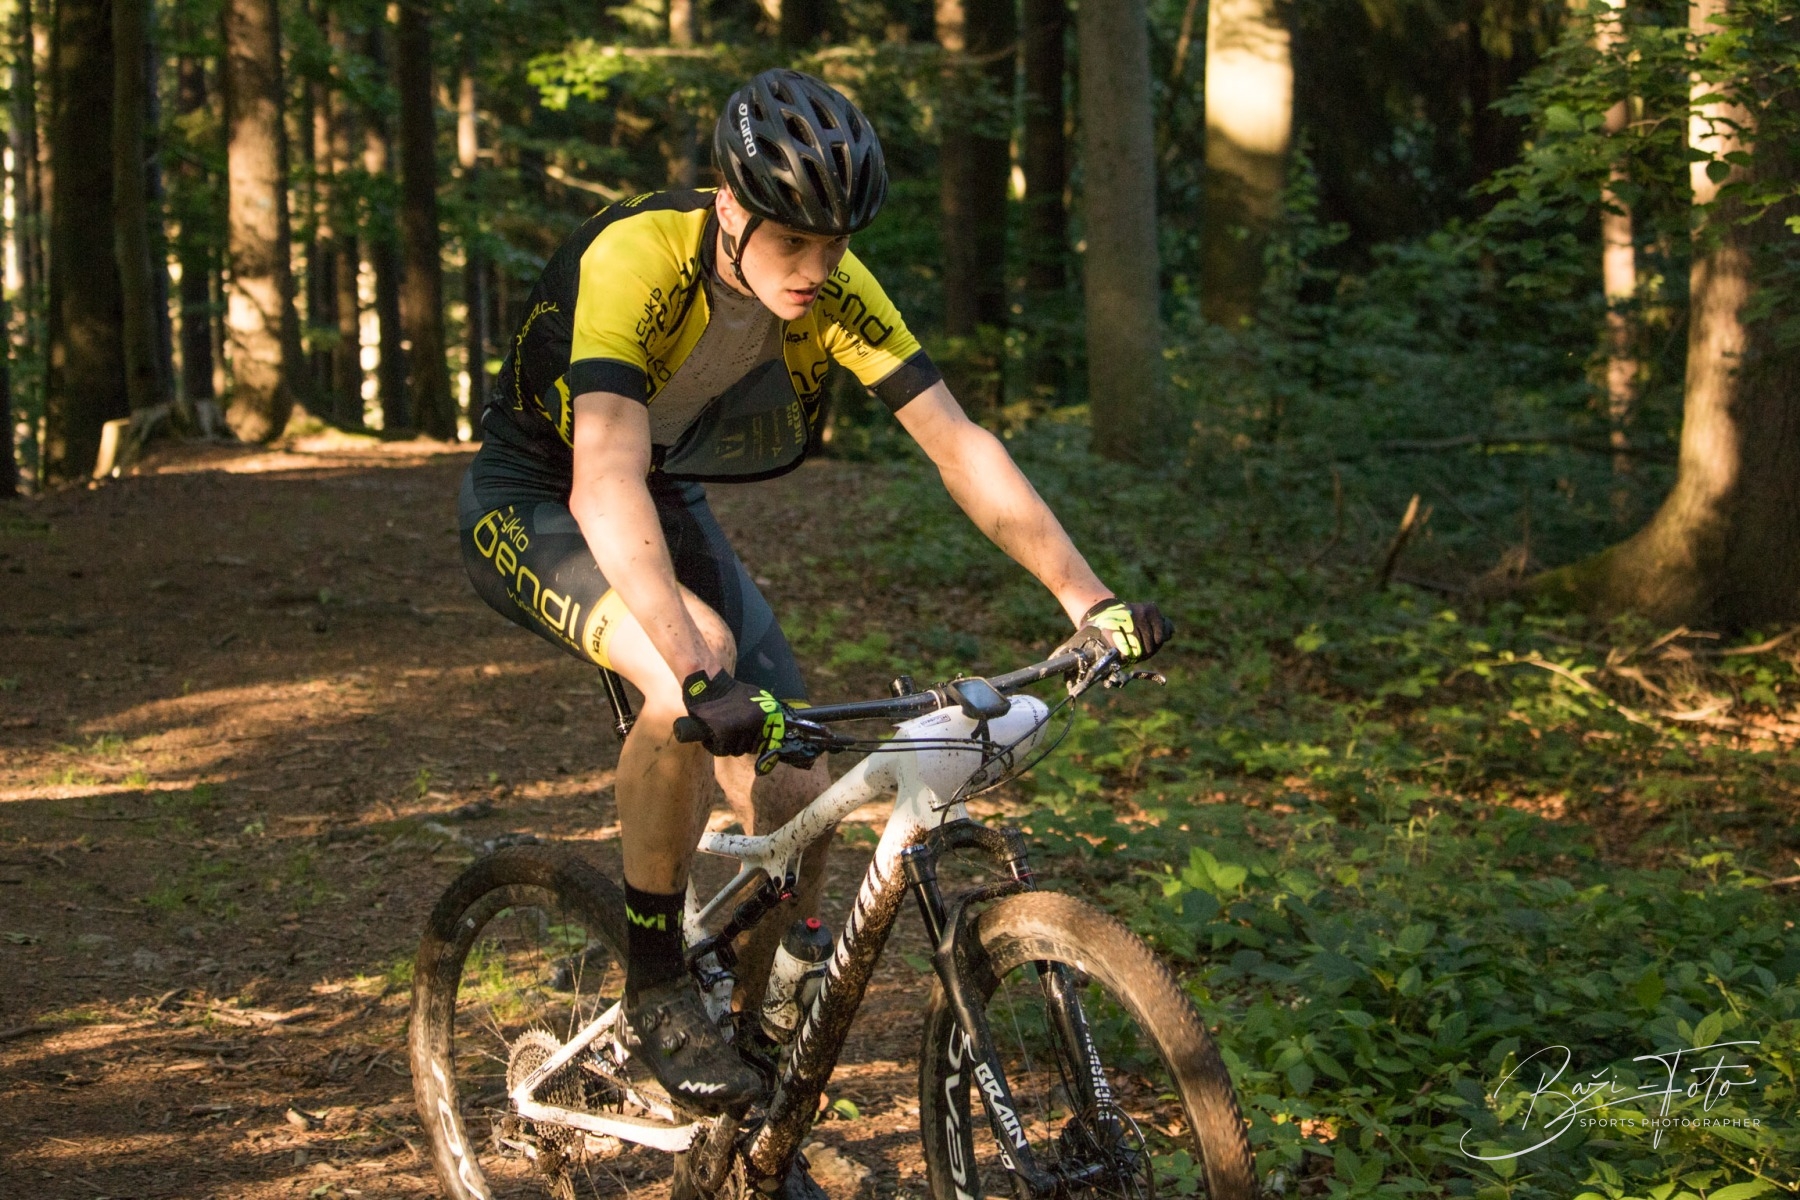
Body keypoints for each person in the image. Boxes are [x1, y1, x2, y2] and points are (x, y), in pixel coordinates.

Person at [458, 69, 1170, 1118]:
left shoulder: (835, 285)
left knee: (800, 782)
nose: (816, 269)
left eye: (834, 245)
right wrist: (697, 671)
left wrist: (1086, 597)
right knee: (687, 670)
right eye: (792, 242)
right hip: (539, 492)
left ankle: (754, 1104)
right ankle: (654, 977)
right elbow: (603, 476)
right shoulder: (637, 257)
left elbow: (958, 444)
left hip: (662, 488)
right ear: (731, 207)